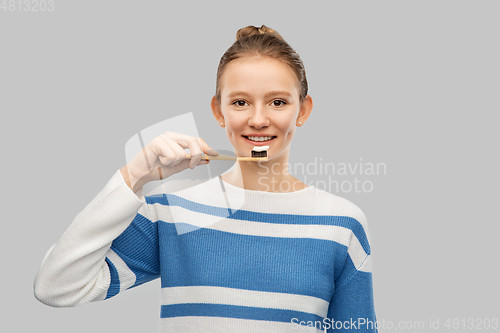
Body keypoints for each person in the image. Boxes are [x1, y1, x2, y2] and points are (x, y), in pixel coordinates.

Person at [34, 25, 378, 332]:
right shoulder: (173, 210)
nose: (258, 120)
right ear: (218, 111)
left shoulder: (341, 223)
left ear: (302, 110)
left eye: (277, 102)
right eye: (241, 102)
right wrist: (134, 176)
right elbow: (56, 287)